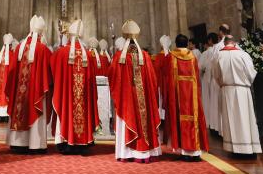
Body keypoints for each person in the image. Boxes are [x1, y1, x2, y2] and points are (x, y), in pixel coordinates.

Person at [109, 20, 162, 162]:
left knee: (129, 117)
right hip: (143, 97)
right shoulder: (144, 56)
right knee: (143, 118)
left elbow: (112, 77)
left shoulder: (120, 57)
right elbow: (152, 79)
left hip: (127, 98)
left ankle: (126, 153)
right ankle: (144, 154)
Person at [51, 19, 99, 154]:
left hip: (67, 97)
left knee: (67, 109)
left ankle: (66, 142)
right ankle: (84, 144)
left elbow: (53, 69)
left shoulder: (61, 53)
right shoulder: (88, 55)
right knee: (82, 109)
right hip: (83, 97)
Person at [6, 16, 52, 153]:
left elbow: (11, 73)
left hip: (20, 93)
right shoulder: (43, 49)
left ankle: (17, 143)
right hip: (36, 91)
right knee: (35, 110)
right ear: (41, 33)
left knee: (19, 108)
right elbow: (49, 74)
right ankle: (35, 144)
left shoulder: (19, 47)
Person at [163, 34, 209, 161]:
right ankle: (195, 152)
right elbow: (197, 77)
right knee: (194, 119)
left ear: (176, 44)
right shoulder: (193, 57)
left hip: (178, 95)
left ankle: (185, 151)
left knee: (180, 120)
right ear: (187, 43)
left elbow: (166, 76)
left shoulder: (171, 57)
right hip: (192, 94)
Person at [213, 35, 261, 155]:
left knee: (230, 119)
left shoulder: (218, 55)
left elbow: (216, 75)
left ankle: (234, 148)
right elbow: (251, 73)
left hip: (227, 90)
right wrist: (245, 83)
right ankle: (249, 147)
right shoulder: (243, 55)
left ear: (224, 44)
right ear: (234, 43)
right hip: (243, 90)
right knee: (246, 118)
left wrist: (223, 84)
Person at [198, 33, 219, 133]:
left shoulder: (206, 53)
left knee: (207, 100)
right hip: (218, 80)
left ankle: (208, 122)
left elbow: (200, 67)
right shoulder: (219, 50)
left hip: (207, 79)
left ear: (210, 40)